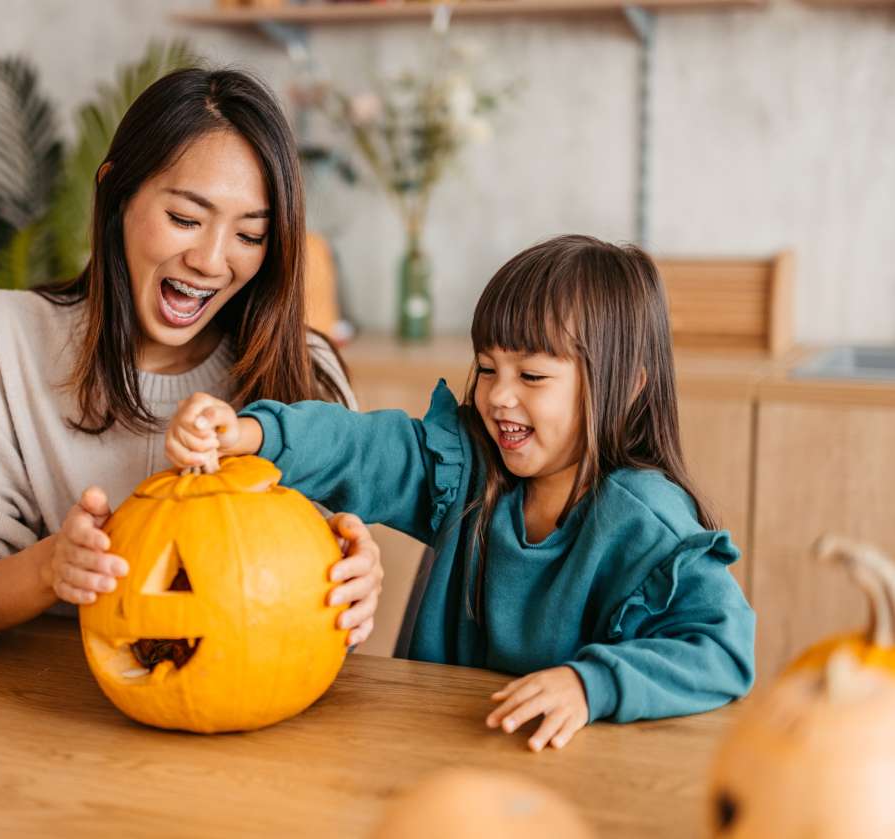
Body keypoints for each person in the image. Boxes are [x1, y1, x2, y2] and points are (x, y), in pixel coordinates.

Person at [165, 234, 756, 751]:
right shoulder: (467, 466)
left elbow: (722, 649)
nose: (498, 396)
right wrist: (250, 432)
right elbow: (361, 446)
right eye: (488, 367)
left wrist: (589, 684)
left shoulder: (647, 522)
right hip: (436, 752)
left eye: (531, 376)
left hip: (564, 779)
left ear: (625, 388)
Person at [0, 68, 383, 648]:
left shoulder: (308, 370)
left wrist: (355, 584)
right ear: (116, 194)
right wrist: (51, 567)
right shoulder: (0, 338)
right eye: (184, 219)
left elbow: (315, 619)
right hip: (42, 706)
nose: (211, 260)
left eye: (250, 236)